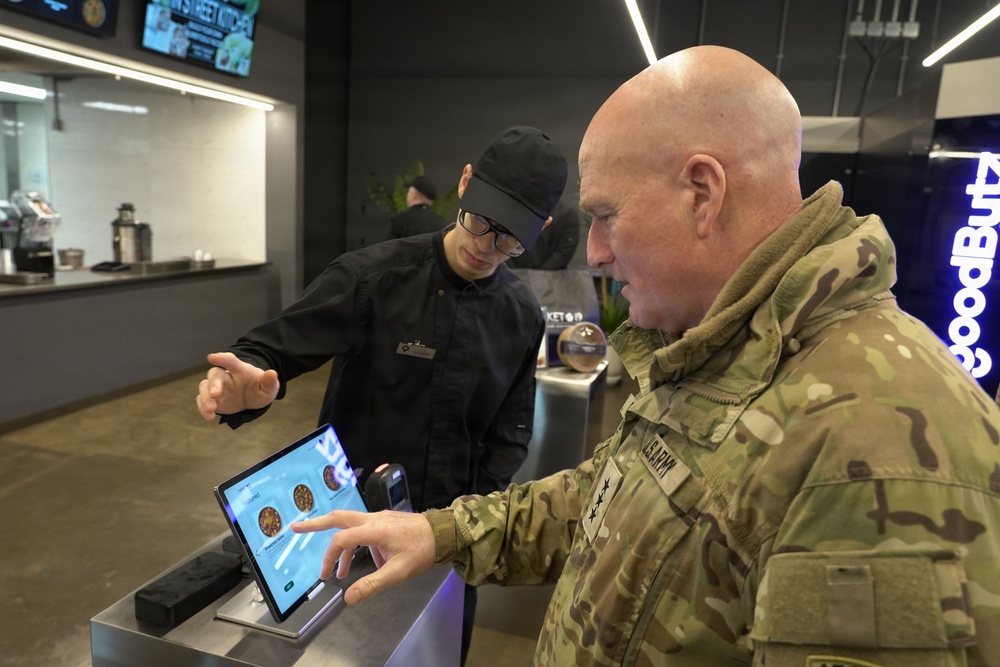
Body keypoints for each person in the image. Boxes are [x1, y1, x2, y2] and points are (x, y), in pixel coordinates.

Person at [291, 45, 1000, 665]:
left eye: (606, 215)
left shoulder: (884, 443)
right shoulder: (724, 350)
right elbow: (610, 496)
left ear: (703, 193)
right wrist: (439, 530)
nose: (595, 253)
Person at [197, 125, 566, 664]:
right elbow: (272, 349)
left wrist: (466, 520)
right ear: (465, 184)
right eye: (482, 221)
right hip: (349, 528)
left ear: (541, 230)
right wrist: (246, 385)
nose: (487, 247)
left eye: (510, 239)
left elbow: (510, 433)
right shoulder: (372, 278)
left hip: (447, 537)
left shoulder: (521, 314)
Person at [506, 196, 580, 270]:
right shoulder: (513, 206)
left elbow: (565, 251)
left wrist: (542, 274)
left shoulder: (567, 213)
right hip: (510, 272)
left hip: (553, 277)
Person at [387, 175, 448, 239]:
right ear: (431, 201)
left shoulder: (398, 221)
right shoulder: (442, 223)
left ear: (413, 195)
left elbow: (390, 247)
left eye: (408, 192)